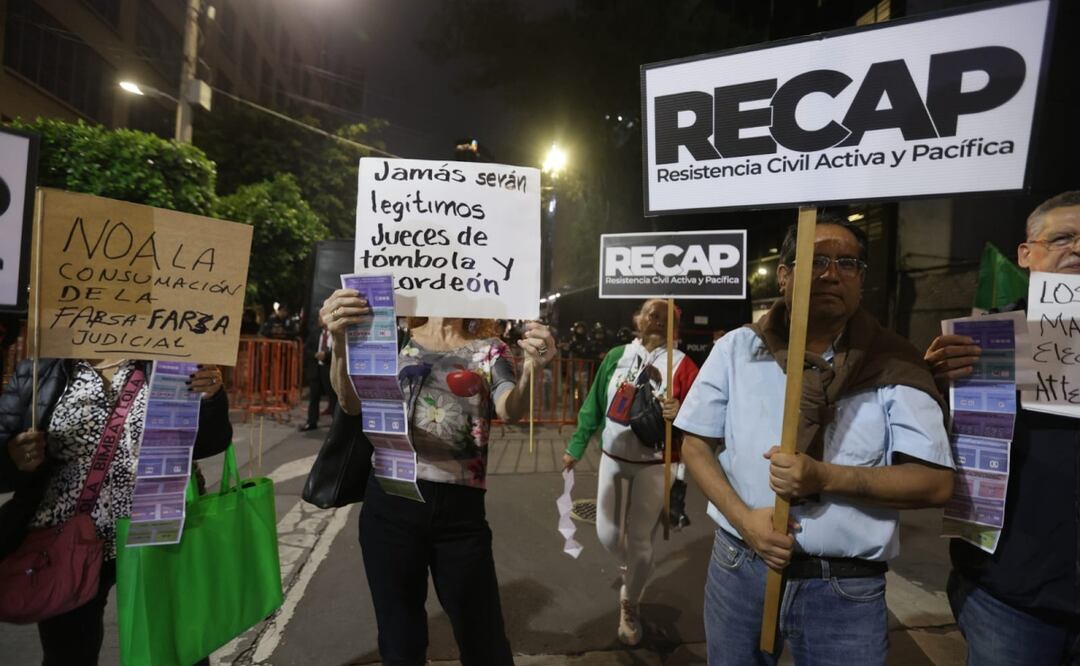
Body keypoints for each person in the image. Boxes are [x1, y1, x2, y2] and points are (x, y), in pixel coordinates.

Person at [675, 217, 954, 665]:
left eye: (847, 262)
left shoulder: (896, 363)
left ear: (861, 280)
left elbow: (934, 483)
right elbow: (694, 445)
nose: (830, 273)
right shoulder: (737, 349)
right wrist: (746, 521)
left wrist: (825, 476)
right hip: (739, 569)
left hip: (845, 590)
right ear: (784, 276)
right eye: (816, 259)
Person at [321, 288, 557, 666]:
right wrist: (337, 340)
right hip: (390, 503)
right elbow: (350, 403)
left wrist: (534, 367)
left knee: (485, 644)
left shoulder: (490, 348)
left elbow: (509, 408)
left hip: (461, 513)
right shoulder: (391, 337)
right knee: (400, 644)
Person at [924, 191, 1080, 665]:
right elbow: (928, 448)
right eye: (1063, 238)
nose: (1078, 249)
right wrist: (931, 386)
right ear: (1026, 254)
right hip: (1010, 596)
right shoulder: (984, 343)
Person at [0, 357, 232, 665]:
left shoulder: (169, 362)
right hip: (65, 540)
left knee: (177, 649)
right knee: (68, 655)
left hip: (154, 531)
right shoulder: (38, 369)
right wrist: (14, 458)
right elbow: (5, 455)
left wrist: (211, 398)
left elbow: (208, 442)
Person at [563, 299, 699, 646]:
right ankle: (639, 568)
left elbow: (701, 419)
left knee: (640, 541)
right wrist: (576, 446)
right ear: (637, 319)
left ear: (674, 326)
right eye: (649, 312)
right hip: (612, 457)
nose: (654, 317)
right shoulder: (616, 357)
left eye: (663, 315)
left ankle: (630, 601)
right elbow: (594, 403)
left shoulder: (683, 366)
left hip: (655, 464)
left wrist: (680, 411)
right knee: (608, 535)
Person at [299, 315, 337, 432]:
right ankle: (311, 422)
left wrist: (326, 356)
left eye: (322, 317)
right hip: (316, 369)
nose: (319, 320)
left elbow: (339, 352)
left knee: (333, 397)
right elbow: (307, 349)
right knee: (314, 397)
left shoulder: (336, 333)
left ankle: (336, 426)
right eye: (319, 318)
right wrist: (315, 355)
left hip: (329, 369)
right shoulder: (315, 333)